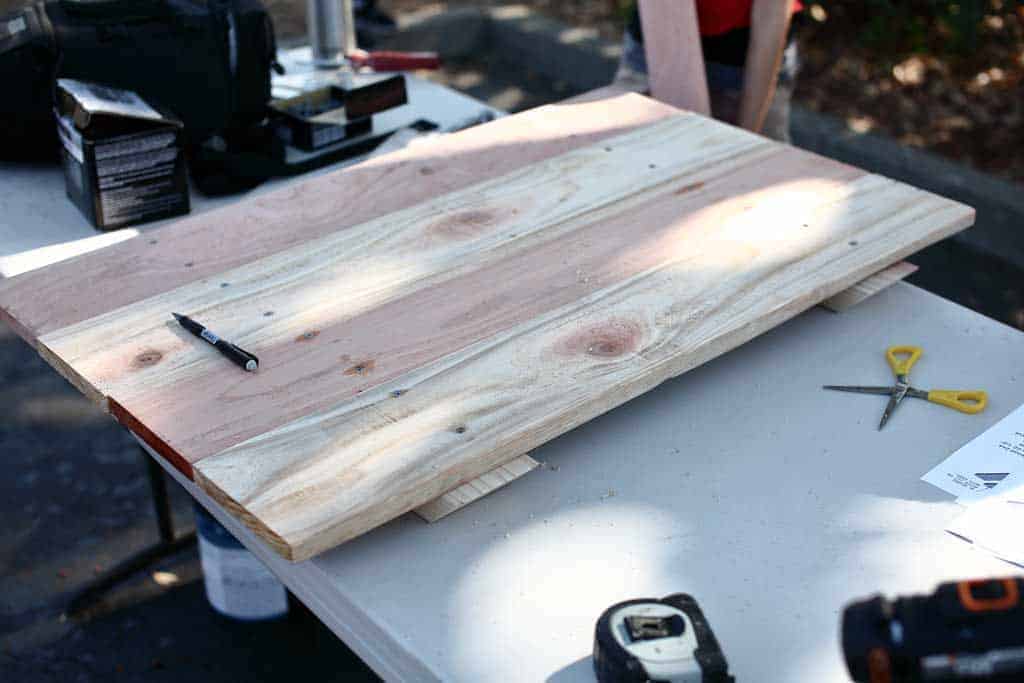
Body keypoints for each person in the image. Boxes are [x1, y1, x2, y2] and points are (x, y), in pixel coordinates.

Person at [616, 0, 803, 142]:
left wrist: (745, 139)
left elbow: (771, 15)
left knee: (762, 172)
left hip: (748, 60)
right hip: (656, 44)